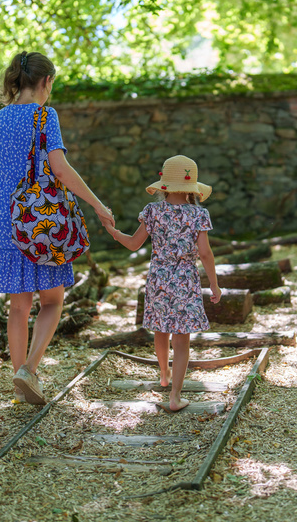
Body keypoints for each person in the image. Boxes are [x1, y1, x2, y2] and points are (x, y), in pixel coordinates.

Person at [0, 51, 115, 405]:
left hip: (6, 228)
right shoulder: (44, 116)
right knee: (52, 301)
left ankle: (21, 384)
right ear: (46, 82)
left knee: (18, 308)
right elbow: (61, 170)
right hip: (42, 226)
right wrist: (98, 205)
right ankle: (28, 371)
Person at [103, 155, 221, 413]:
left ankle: (164, 374)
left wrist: (113, 231)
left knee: (160, 330)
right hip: (186, 280)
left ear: (164, 183)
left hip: (158, 278)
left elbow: (134, 244)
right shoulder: (199, 214)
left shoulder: (152, 211)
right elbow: (205, 254)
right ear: (192, 187)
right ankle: (175, 395)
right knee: (182, 340)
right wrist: (214, 284)